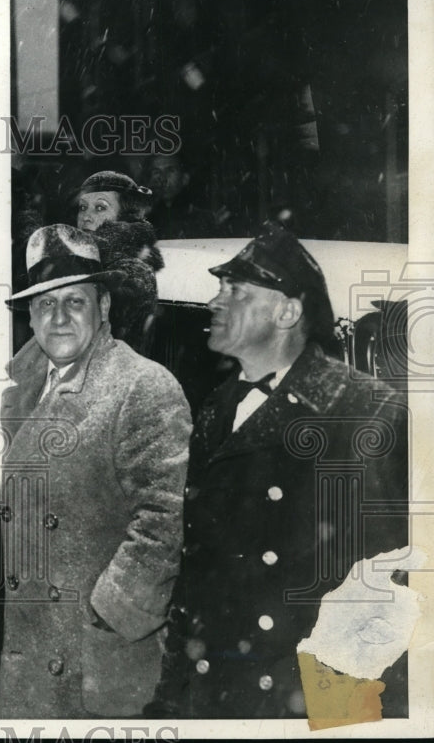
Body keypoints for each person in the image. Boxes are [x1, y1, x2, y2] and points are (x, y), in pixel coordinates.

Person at [148, 222, 409, 718]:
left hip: (299, 697)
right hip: (219, 688)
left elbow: (383, 589)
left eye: (237, 291)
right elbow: (196, 569)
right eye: (219, 288)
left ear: (288, 312)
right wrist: (172, 698)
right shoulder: (217, 408)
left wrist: (344, 718)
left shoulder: (362, 411)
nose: (214, 303)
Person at [0, 224, 192, 718]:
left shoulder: (141, 386)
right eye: (44, 304)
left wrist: (107, 615)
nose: (58, 318)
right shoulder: (23, 385)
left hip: (94, 665)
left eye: (74, 302)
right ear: (30, 315)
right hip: (31, 650)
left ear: (104, 306)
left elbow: (162, 526)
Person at [73, 171, 164, 354]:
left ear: (125, 215)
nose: (86, 217)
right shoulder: (82, 261)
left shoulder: (133, 270)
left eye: (100, 208)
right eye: (82, 207)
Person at [144, 153, 221, 239]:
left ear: (185, 178)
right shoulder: (144, 219)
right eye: (156, 172)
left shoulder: (205, 218)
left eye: (170, 170)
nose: (162, 178)